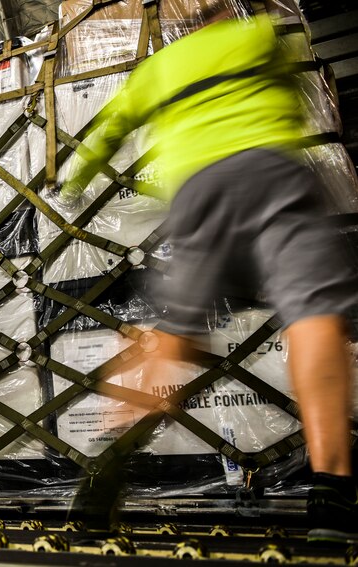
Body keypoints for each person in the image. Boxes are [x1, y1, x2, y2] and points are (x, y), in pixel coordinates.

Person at [63, 2, 357, 543]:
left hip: (199, 194)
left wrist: (72, 183)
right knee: (314, 315)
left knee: (174, 335)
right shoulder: (261, 33)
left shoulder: (159, 68)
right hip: (274, 174)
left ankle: (111, 460)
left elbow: (107, 131)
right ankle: (331, 491)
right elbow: (304, 98)